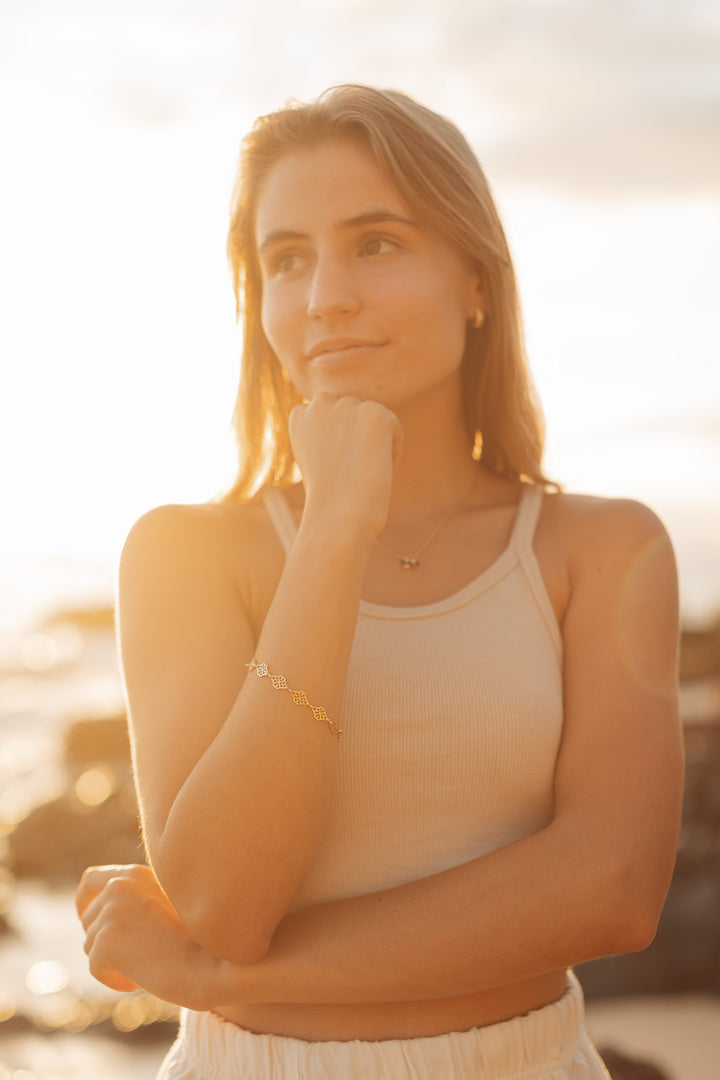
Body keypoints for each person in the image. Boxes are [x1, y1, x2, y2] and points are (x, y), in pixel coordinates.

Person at [75, 85, 683, 1080]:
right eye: (287, 260)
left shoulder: (605, 549)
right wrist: (335, 531)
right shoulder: (186, 554)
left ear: (476, 281)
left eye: (378, 243)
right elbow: (228, 900)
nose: (325, 297)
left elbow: (611, 891)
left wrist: (224, 978)